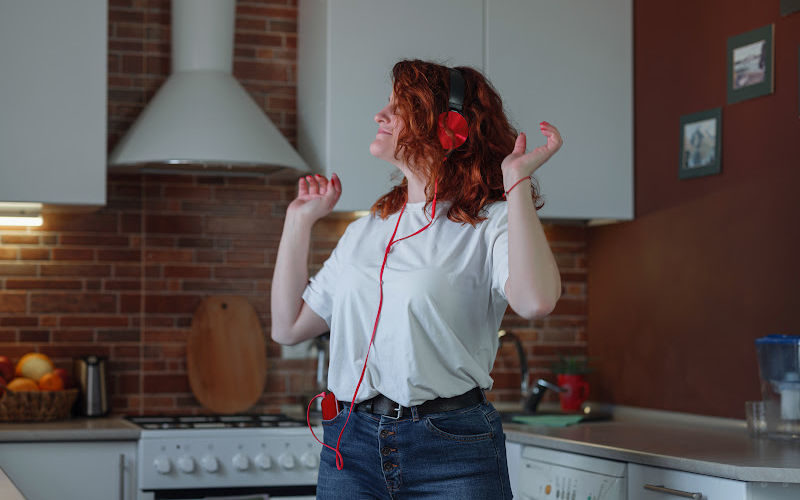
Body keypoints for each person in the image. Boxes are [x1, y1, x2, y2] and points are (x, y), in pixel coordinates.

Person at [271, 59, 563, 499]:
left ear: (449, 128)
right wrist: (298, 223)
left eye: (399, 107)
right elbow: (288, 327)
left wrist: (516, 180)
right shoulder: (366, 229)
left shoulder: (490, 224)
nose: (380, 116)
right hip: (349, 443)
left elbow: (536, 301)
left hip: (451, 448)